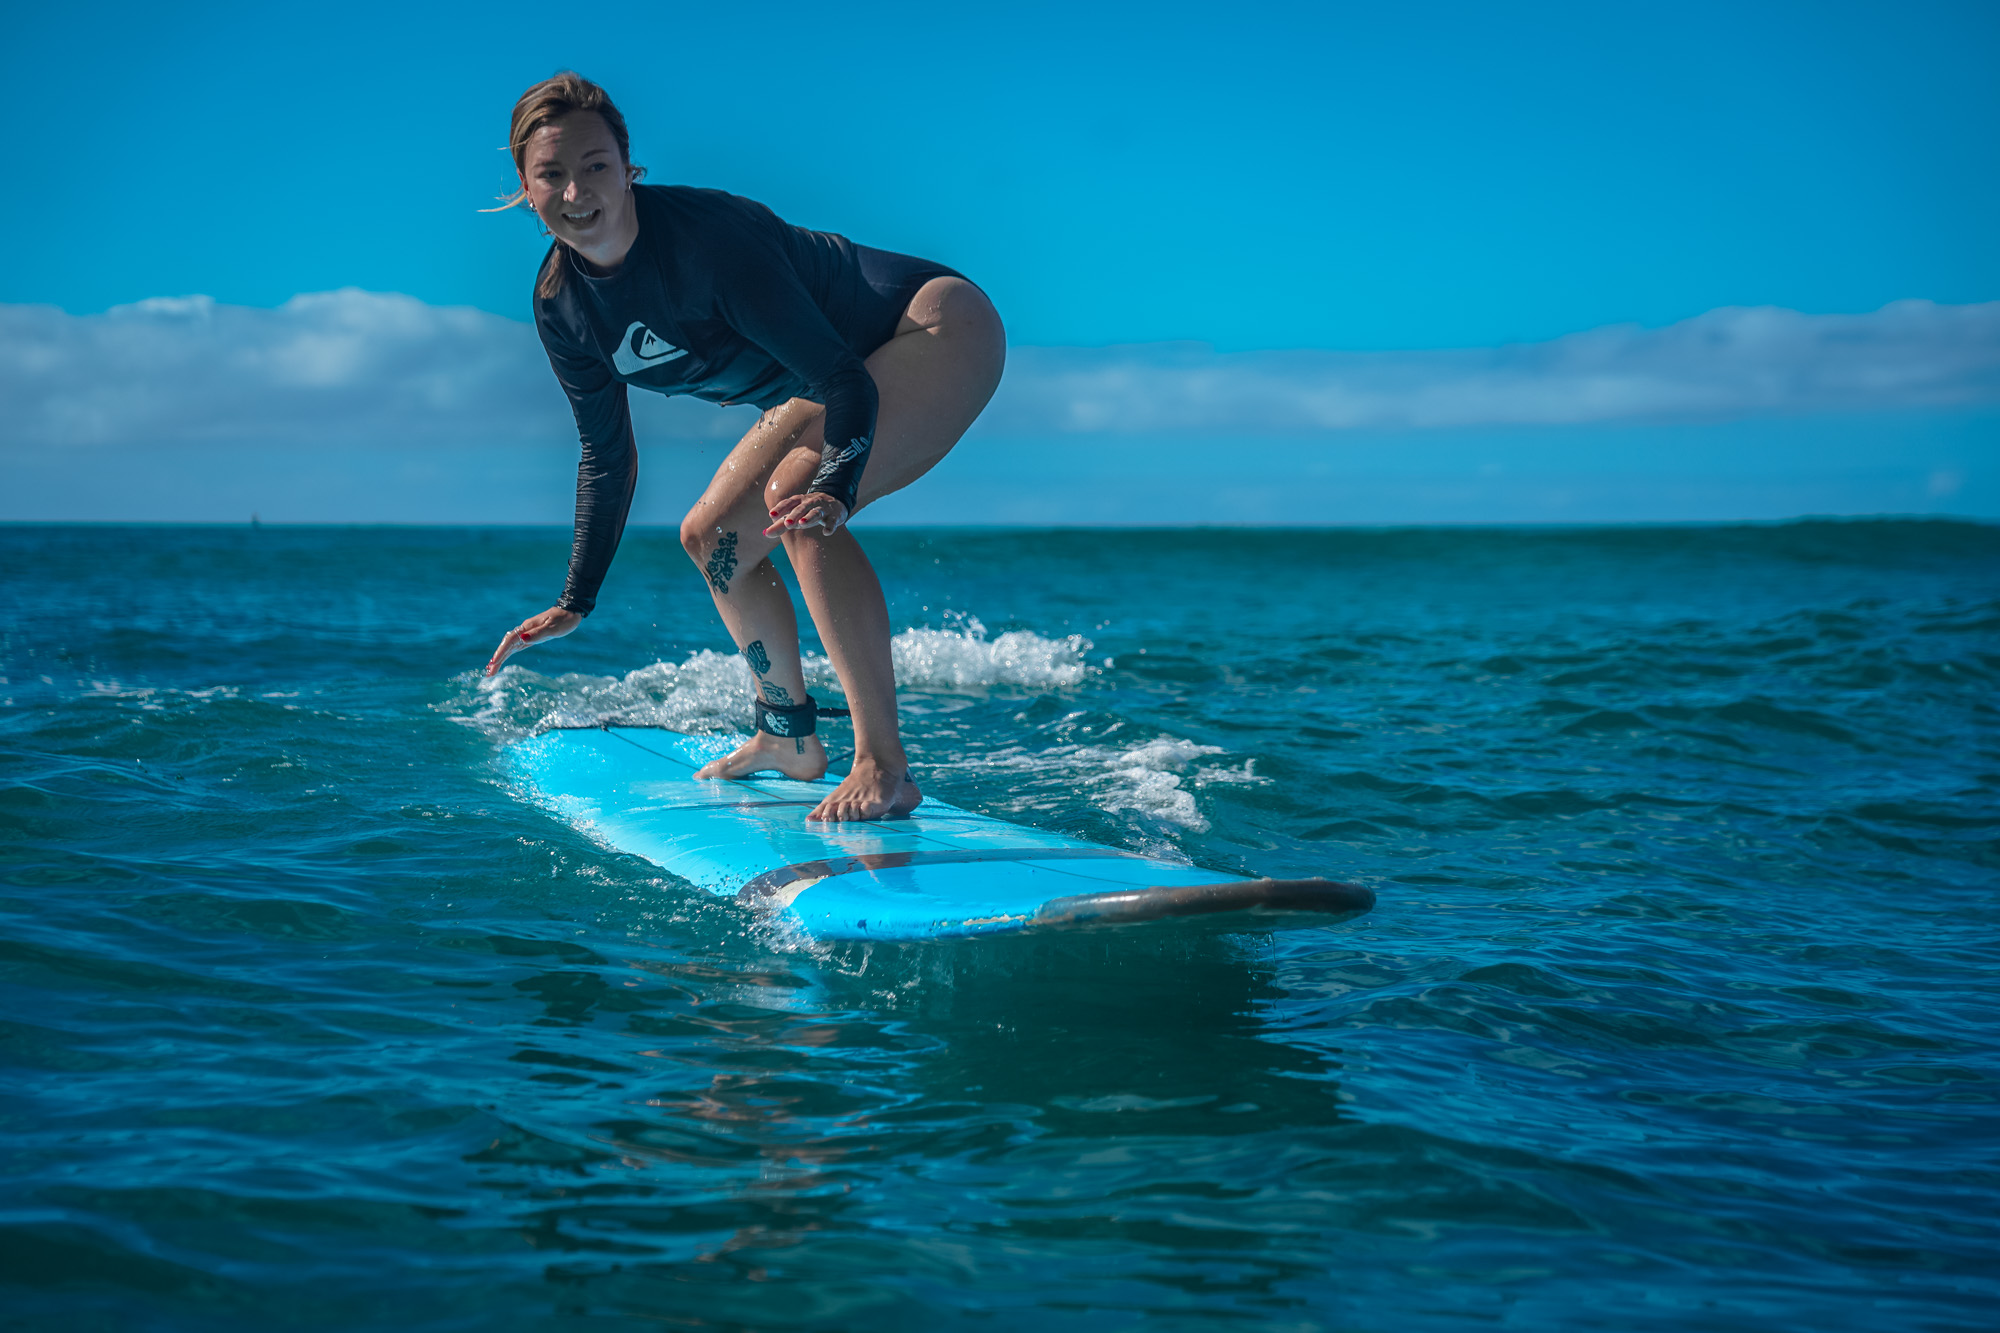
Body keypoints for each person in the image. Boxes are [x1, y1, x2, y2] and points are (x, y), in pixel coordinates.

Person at [481, 73, 1004, 821]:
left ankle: (884, 765)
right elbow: (607, 454)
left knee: (797, 506)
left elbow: (845, 379)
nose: (575, 191)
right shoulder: (563, 306)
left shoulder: (707, 245)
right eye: (551, 174)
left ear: (628, 169)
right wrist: (576, 599)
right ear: (525, 189)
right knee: (712, 536)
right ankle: (787, 736)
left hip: (933, 329)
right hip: (832, 377)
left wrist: (836, 487)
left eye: (595, 165)